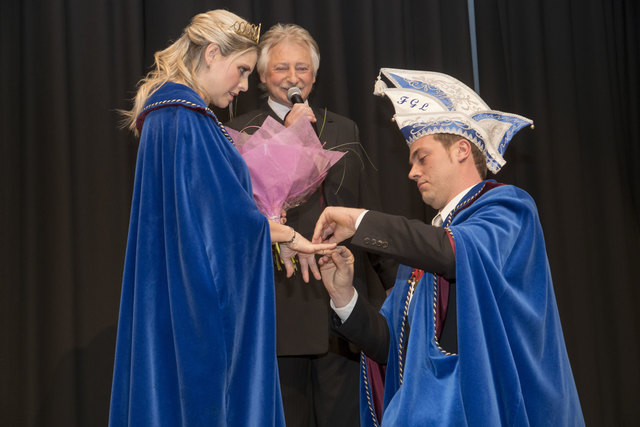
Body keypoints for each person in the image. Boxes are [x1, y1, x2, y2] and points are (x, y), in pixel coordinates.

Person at [313, 69, 585, 426]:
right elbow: (392, 349)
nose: (411, 172)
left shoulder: (507, 208)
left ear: (461, 149)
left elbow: (456, 253)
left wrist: (361, 220)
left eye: (421, 157)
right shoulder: (429, 245)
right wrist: (344, 295)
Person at [108, 10, 334, 427]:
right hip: (196, 307)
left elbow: (206, 213)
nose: (245, 85)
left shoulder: (173, 115)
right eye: (243, 70)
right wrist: (275, 231)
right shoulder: (183, 118)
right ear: (212, 53)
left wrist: (274, 231)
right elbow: (218, 223)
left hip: (178, 297)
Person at [227, 24, 396, 427]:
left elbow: (362, 207)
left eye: (301, 68)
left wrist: (390, 278)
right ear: (263, 76)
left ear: (315, 77)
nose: (292, 77)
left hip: (339, 295)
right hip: (280, 297)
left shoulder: (343, 128)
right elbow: (239, 215)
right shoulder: (241, 133)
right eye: (281, 67)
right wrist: (289, 137)